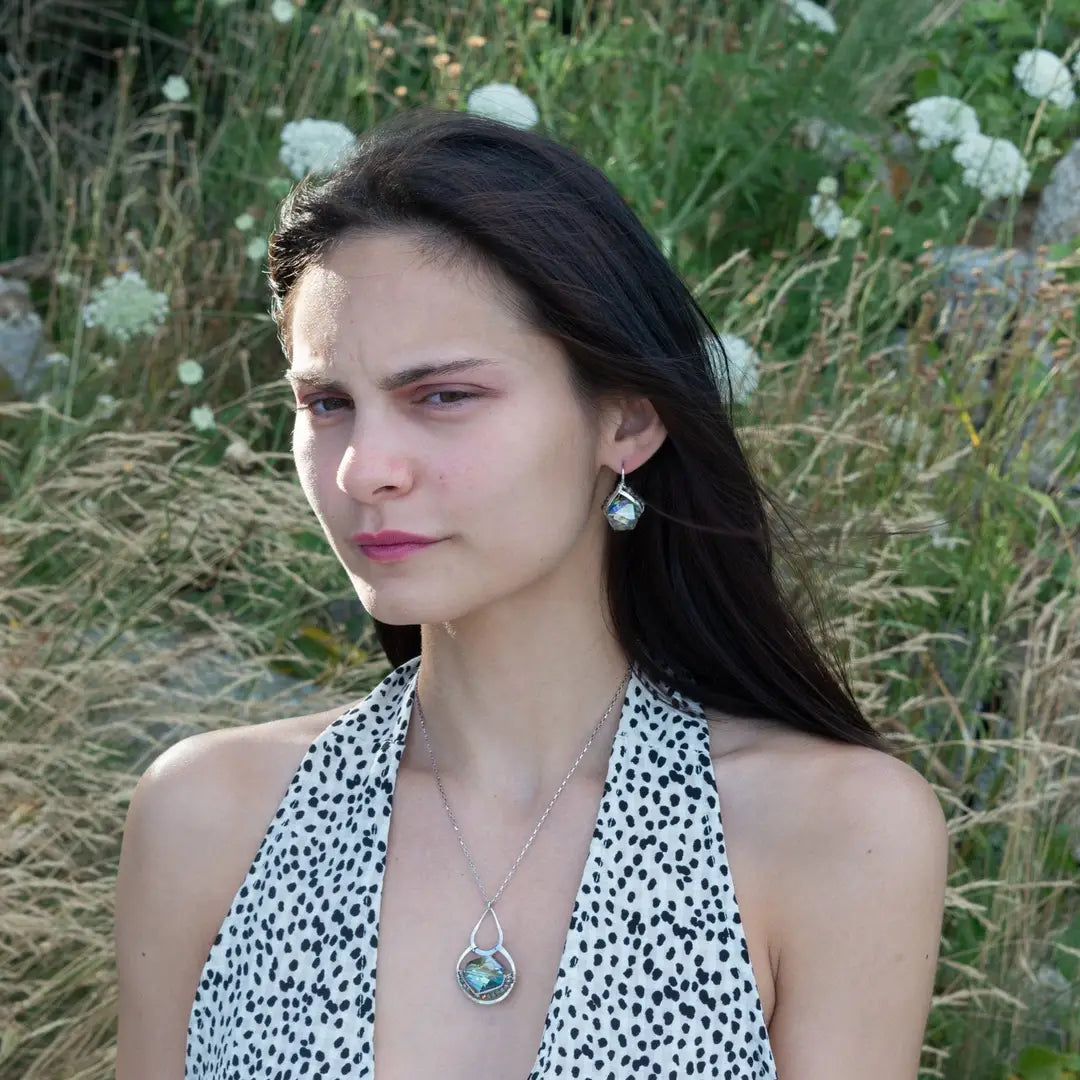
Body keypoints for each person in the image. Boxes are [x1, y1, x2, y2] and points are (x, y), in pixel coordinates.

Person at [114, 106, 949, 1080]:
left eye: (444, 396)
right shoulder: (209, 816)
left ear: (627, 421)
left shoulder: (832, 830)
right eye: (327, 404)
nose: (363, 470)